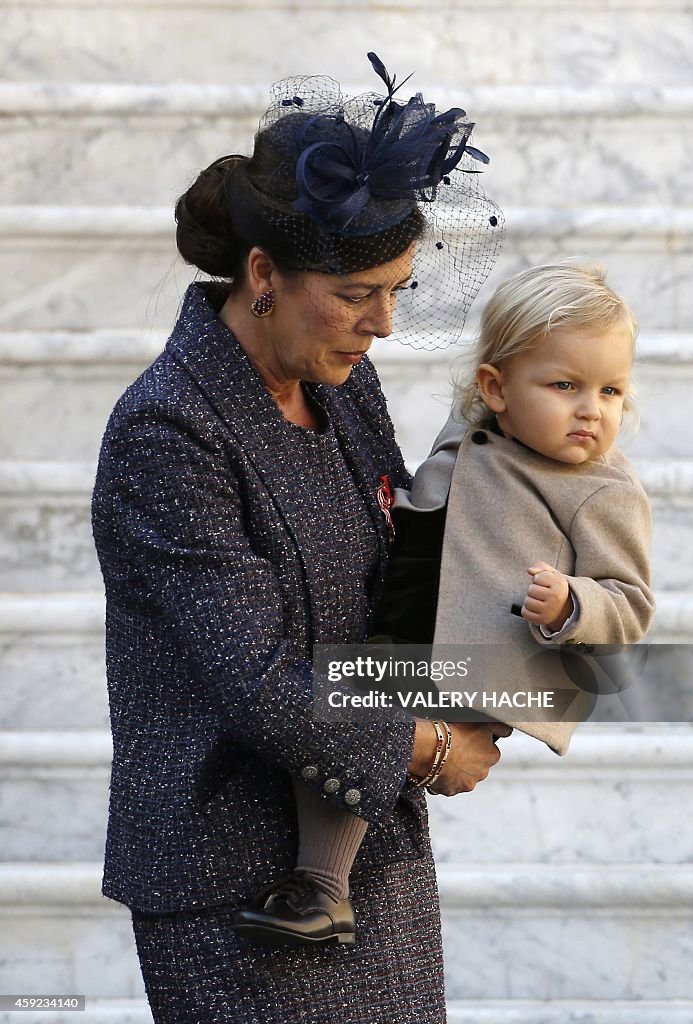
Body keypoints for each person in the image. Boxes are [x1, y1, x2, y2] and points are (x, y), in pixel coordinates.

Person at [91, 53, 506, 1024]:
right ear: (263, 273)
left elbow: (401, 559)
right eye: (359, 291)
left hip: (370, 848)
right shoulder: (171, 427)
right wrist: (426, 747)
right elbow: (257, 679)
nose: (383, 322)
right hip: (238, 880)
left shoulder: (339, 381)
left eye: (397, 288)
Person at [236, 261, 656, 946]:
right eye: (564, 385)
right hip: (415, 626)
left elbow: (630, 601)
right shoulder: (476, 434)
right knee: (335, 703)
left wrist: (570, 602)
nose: (591, 409)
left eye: (611, 390)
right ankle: (323, 891)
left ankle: (320, 886)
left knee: (349, 710)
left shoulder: (601, 486)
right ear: (494, 388)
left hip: (491, 657)